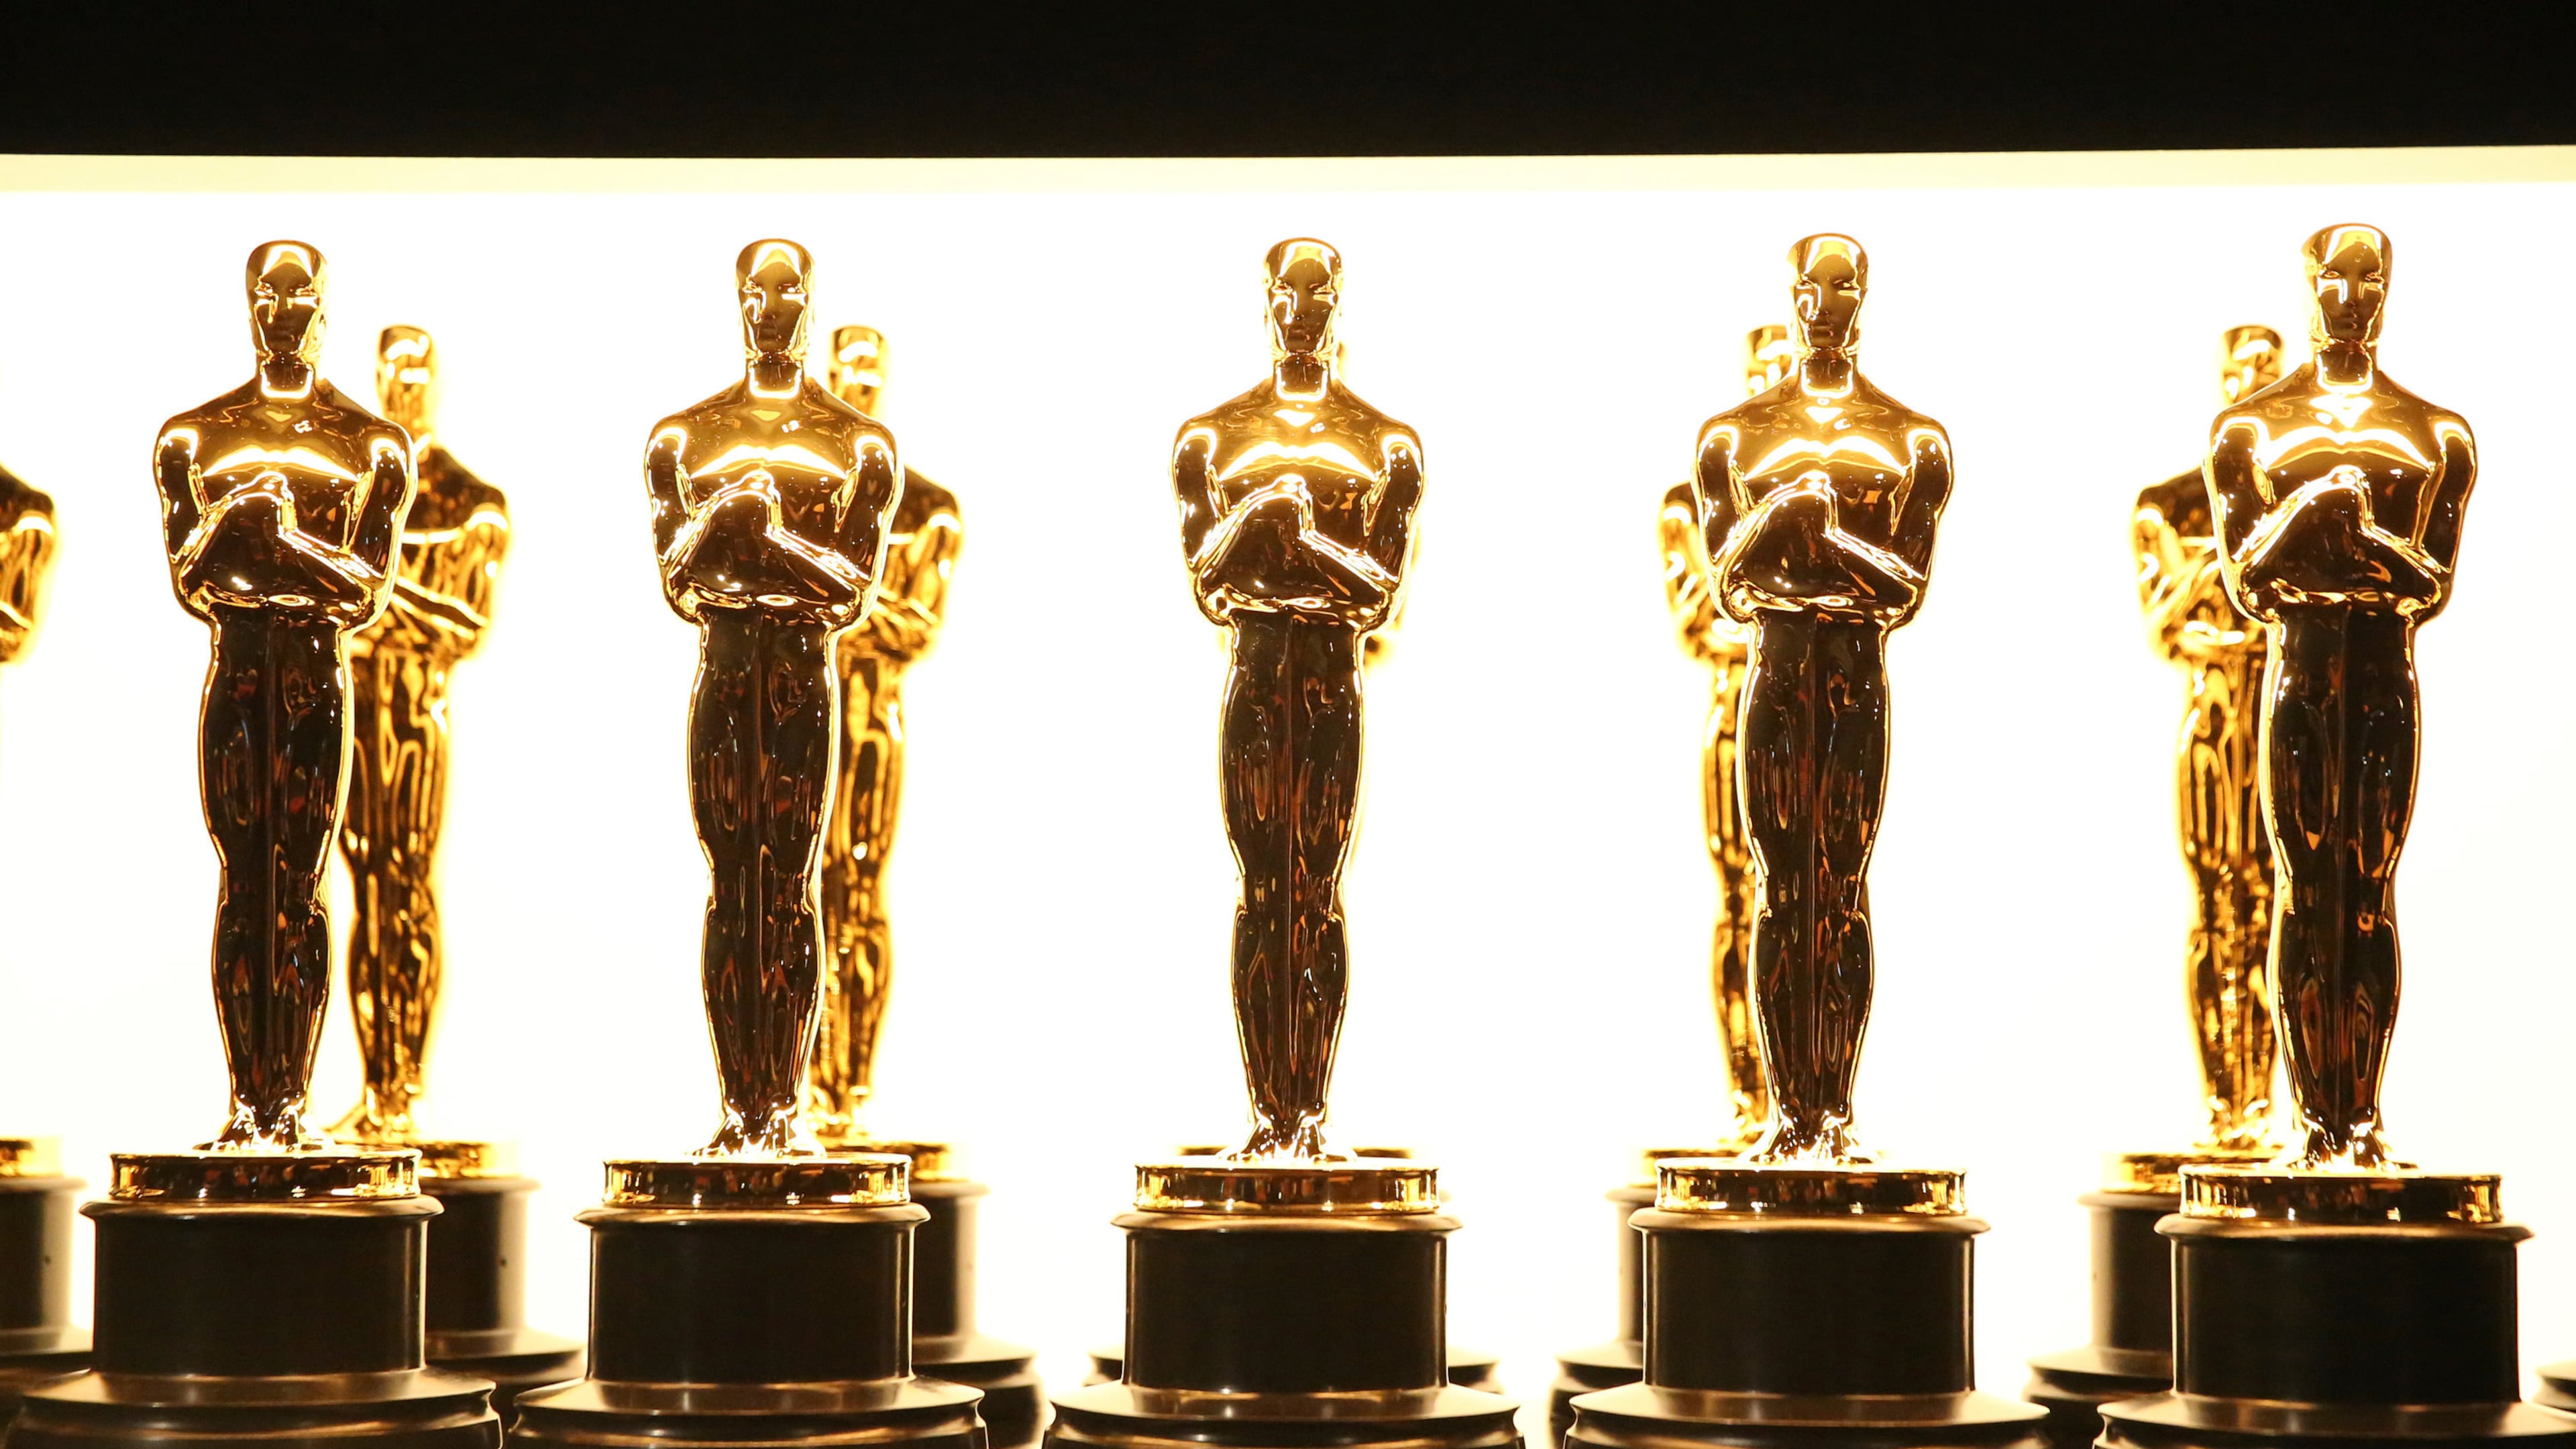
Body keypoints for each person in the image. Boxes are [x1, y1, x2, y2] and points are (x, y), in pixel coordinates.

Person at [2204, 224, 2476, 1171]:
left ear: (2387, 289)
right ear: (2310, 284)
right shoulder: (2251, 429)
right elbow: (2247, 582)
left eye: (2372, 277)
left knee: (2367, 890)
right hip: (2301, 670)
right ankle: (2316, 1123)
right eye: (2338, 276)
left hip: (2383, 676)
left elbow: (2431, 581)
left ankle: (2356, 1120)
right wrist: (2317, 523)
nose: (2354, 294)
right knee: (2300, 883)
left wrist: (2347, 540)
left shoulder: (2436, 434)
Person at [1693, 235, 1953, 1165]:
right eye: (1815, 287)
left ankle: (1828, 1113)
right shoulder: (1733, 436)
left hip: (1854, 671)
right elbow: (1727, 586)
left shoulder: (1912, 438)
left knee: (1839, 886)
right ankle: (1785, 1113)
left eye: (1846, 287)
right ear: (1795, 295)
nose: (1829, 304)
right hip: (1776, 665)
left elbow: (1906, 589)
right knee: (1779, 889)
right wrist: (1775, 520)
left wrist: (1818, 537)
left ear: (1864, 297)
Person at [155, 241, 416, 1150]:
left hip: (312, 674)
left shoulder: (371, 445)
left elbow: (365, 592)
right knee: (242, 883)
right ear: (249, 302)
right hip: (237, 670)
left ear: (324, 305)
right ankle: (248, 1105)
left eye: (300, 293)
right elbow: (192, 581)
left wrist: (274, 542)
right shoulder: (195, 437)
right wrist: (237, 526)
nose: (285, 309)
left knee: (296, 886)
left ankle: (289, 1107)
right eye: (269, 293)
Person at [645, 239, 900, 1156]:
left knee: (790, 886)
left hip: (800, 673)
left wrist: (758, 540)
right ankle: (740, 1110)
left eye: (791, 290)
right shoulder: (684, 437)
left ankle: (781, 1110)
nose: (776, 306)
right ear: (741, 299)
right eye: (762, 290)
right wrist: (724, 524)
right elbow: (678, 585)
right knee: (730, 886)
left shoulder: (858, 444)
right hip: (723, 669)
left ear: (810, 300)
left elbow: (853, 592)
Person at [1173, 238, 1423, 1161]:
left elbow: (1378, 596)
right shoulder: (1212, 437)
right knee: (1261, 890)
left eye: (1321, 294)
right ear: (1269, 300)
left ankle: (1304, 1117)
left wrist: (1294, 539)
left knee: (1315, 890)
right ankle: (1269, 1117)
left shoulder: (1386, 443)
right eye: (1291, 292)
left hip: (1327, 676)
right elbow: (1208, 585)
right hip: (1257, 666)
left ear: (1339, 303)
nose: (1304, 309)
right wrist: (1256, 522)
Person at [331, 325, 511, 1143]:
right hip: (353, 707)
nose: (405, 383)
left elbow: (463, 622)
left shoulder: (470, 501)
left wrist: (372, 596)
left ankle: (403, 1088)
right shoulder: (343, 492)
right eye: (392, 369)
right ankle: (378, 1091)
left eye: (417, 369)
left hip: (415, 713)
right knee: (363, 887)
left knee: (407, 886)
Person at [803, 324, 963, 1145]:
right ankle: (798, 1084)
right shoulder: (804, 496)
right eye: (846, 371)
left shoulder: (929, 509)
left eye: (870, 370)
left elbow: (912, 627)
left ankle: (850, 1091)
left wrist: (822, 588)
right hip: (801, 705)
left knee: (859, 894)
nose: (857, 384)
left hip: (871, 718)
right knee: (790, 893)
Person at [2133, 325, 2285, 1154]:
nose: (2250, 390)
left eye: (2267, 376)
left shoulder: (2299, 495)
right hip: (2215, 715)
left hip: (2279, 714)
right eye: (2240, 376)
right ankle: (2224, 1107)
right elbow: (2166, 628)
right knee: (2215, 908)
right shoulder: (2171, 505)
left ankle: (2262, 1108)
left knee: (2275, 909)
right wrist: (2222, 554)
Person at [1654, 324, 1794, 1150]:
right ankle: (1749, 1094)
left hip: (1809, 702)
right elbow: (1701, 623)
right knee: (1743, 901)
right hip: (1735, 711)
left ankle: (1796, 1098)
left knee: (1810, 899)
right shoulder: (1690, 502)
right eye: (1764, 375)